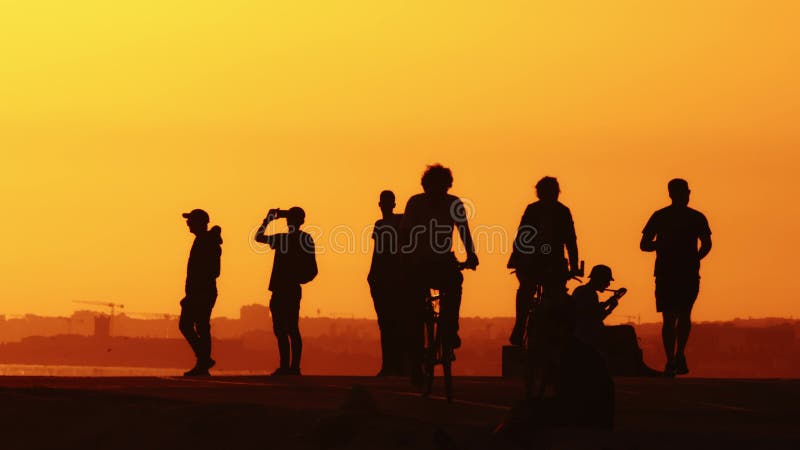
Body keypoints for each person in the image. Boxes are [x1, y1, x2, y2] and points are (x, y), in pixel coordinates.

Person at [400, 164, 478, 380]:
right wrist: (470, 256)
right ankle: (444, 334)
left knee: (451, 286)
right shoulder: (443, 202)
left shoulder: (423, 202)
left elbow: (463, 231)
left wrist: (471, 253)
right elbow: (406, 234)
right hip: (425, 263)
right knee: (422, 305)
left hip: (429, 263)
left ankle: (449, 329)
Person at [641, 178, 712, 376]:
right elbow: (644, 244)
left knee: (675, 316)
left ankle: (674, 357)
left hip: (676, 272)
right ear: (674, 194)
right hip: (674, 272)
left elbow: (706, 243)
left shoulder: (666, 216)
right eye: (683, 193)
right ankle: (675, 357)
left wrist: (695, 258)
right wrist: (694, 257)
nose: (686, 196)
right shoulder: (690, 217)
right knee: (677, 316)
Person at [508, 176, 580, 346]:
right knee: (553, 296)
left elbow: (521, 236)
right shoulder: (562, 211)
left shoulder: (534, 209)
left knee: (526, 290)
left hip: (535, 263)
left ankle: (519, 326)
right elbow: (571, 241)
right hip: (549, 264)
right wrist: (574, 266)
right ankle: (527, 327)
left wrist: (516, 259)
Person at [255, 207, 318, 376]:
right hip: (288, 288)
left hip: (284, 288)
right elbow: (313, 270)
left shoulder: (285, 239)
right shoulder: (302, 238)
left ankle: (289, 367)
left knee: (285, 329)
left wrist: (267, 220)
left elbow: (258, 237)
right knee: (288, 328)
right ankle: (291, 367)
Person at [179, 209, 222, 377]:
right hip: (199, 292)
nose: (187, 223)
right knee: (199, 327)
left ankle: (203, 361)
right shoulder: (203, 240)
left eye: (190, 220)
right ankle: (203, 361)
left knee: (195, 326)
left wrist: (194, 294)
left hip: (202, 292)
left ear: (199, 223)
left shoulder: (206, 242)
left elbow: (213, 271)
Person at [367, 190, 406, 376]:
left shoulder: (397, 222)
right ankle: (390, 365)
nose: (385, 206)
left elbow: (379, 251)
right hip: (385, 276)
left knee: (391, 323)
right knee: (387, 323)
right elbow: (377, 251)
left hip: (393, 276)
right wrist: (371, 273)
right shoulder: (382, 224)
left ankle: (393, 365)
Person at [571, 265, 619, 355]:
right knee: (628, 331)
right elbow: (595, 318)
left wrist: (609, 302)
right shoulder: (589, 294)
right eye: (607, 281)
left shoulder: (583, 291)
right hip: (588, 335)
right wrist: (610, 308)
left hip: (583, 333)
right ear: (599, 279)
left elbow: (594, 310)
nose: (608, 284)